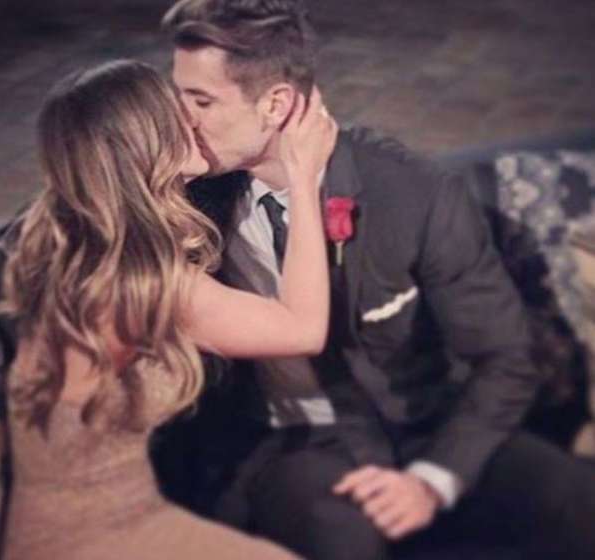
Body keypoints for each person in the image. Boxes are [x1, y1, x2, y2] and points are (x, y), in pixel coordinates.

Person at [158, 1, 595, 559]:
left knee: (574, 496)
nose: (181, 120)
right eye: (178, 96)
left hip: (422, 422)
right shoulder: (189, 192)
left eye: (200, 101)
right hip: (290, 438)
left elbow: (505, 356)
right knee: (345, 541)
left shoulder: (413, 193)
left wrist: (433, 480)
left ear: (276, 104)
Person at [0, 58, 337, 560]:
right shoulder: (143, 283)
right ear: (144, 143)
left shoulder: (86, 236)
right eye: (174, 110)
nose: (192, 118)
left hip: (122, 507)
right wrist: (303, 178)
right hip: (85, 538)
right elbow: (303, 329)